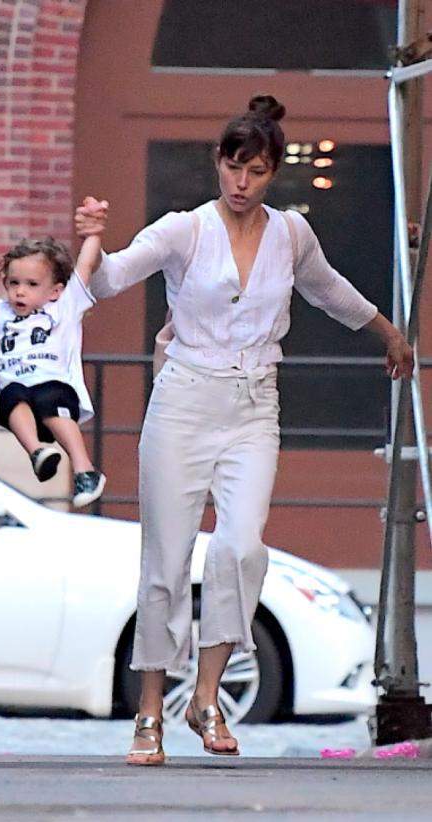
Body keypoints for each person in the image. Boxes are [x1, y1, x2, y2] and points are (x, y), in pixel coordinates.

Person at [75, 95, 414, 764]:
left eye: (256, 172)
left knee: (240, 548)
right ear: (218, 163)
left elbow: (328, 288)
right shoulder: (184, 229)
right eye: (234, 167)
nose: (241, 182)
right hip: (183, 400)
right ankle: (149, 711)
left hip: (255, 403)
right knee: (166, 561)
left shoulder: (291, 234)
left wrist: (388, 332)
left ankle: (206, 697)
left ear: (273, 173)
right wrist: (88, 239)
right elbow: (112, 277)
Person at [0, 227, 108, 508]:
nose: (20, 291)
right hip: (20, 400)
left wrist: (93, 234)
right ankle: (37, 451)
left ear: (55, 291)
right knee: (9, 395)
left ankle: (85, 470)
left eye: (31, 284)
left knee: (49, 395)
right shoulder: (2, 314)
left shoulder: (63, 308)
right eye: (13, 283)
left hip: (55, 390)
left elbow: (86, 265)